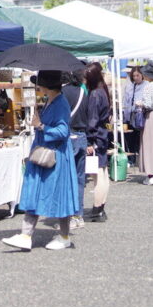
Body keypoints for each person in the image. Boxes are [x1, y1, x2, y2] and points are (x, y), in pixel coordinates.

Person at [2, 71, 79, 251]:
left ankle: (63, 236)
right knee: (35, 191)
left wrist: (41, 126)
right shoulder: (51, 101)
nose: (38, 87)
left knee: (59, 194)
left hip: (55, 155)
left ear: (46, 86)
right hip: (45, 152)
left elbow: (63, 132)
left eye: (40, 84)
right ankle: (26, 235)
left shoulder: (60, 103)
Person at [61, 69, 88, 230]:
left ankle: (69, 216)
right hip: (82, 135)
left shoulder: (63, 93)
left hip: (68, 135)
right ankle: (78, 215)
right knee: (79, 178)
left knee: (66, 178)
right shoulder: (83, 92)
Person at [84, 62, 111, 222]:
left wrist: (89, 141)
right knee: (103, 172)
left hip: (96, 137)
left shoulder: (94, 94)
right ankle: (101, 208)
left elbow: (92, 121)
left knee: (97, 174)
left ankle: (97, 208)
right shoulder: (103, 90)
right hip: (103, 135)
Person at [122, 66, 147, 166]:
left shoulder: (146, 85)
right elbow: (125, 101)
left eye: (138, 75)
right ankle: (131, 159)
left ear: (142, 75)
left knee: (140, 138)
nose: (136, 78)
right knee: (130, 138)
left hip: (140, 116)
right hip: (129, 116)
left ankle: (141, 159)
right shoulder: (129, 86)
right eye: (134, 76)